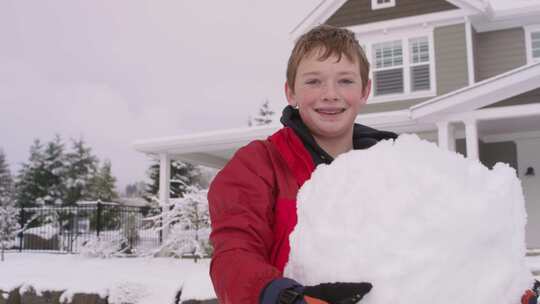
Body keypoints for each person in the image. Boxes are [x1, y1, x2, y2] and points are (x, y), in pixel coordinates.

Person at [207, 24, 539, 304]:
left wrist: (506, 285)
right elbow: (233, 255)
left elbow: (453, 246)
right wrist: (283, 297)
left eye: (345, 80)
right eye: (313, 81)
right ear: (290, 92)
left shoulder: (402, 164)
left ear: (365, 90)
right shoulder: (257, 165)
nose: (330, 94)